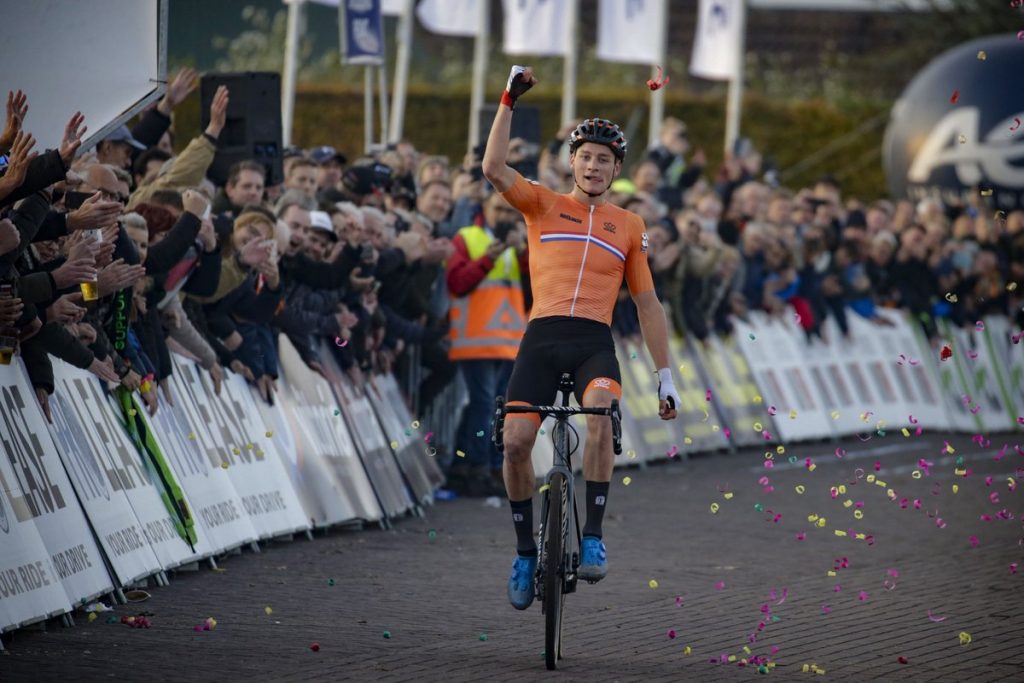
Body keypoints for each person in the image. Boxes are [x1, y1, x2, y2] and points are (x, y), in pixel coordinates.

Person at [482, 65, 681, 610]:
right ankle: (526, 552)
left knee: (600, 415)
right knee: (517, 442)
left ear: (617, 168)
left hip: (594, 341)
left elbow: (646, 303)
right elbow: (493, 166)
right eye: (585, 157)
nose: (593, 166)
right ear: (573, 162)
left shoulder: (630, 225)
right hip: (541, 339)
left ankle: (592, 535)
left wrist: (666, 378)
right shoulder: (544, 204)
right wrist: (508, 99)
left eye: (604, 159)